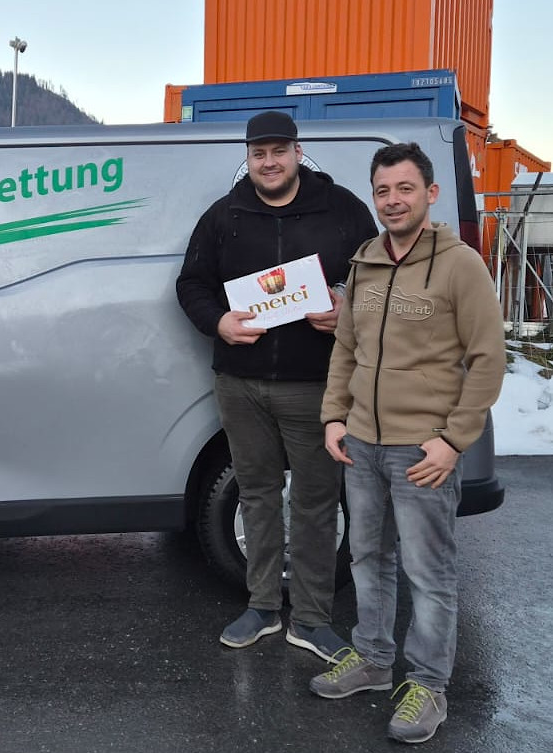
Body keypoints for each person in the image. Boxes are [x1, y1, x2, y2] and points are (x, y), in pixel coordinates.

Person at [308, 143, 505, 744]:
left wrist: (453, 441)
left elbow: (488, 358)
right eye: (383, 191)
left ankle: (429, 686)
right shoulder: (364, 263)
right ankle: (372, 659)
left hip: (423, 450)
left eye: (405, 188)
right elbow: (347, 347)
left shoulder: (459, 265)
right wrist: (334, 417)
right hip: (362, 444)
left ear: (429, 194)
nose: (393, 201)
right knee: (367, 558)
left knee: (428, 571)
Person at [176, 111, 377, 660]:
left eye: (278, 151)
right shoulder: (224, 216)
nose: (269, 162)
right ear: (248, 158)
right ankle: (262, 606)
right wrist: (218, 322)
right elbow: (191, 284)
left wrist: (347, 307)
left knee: (316, 502)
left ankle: (310, 619)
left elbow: (378, 279)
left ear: (297, 152)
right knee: (257, 496)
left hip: (316, 385)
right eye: (258, 153)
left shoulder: (342, 209)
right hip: (240, 384)